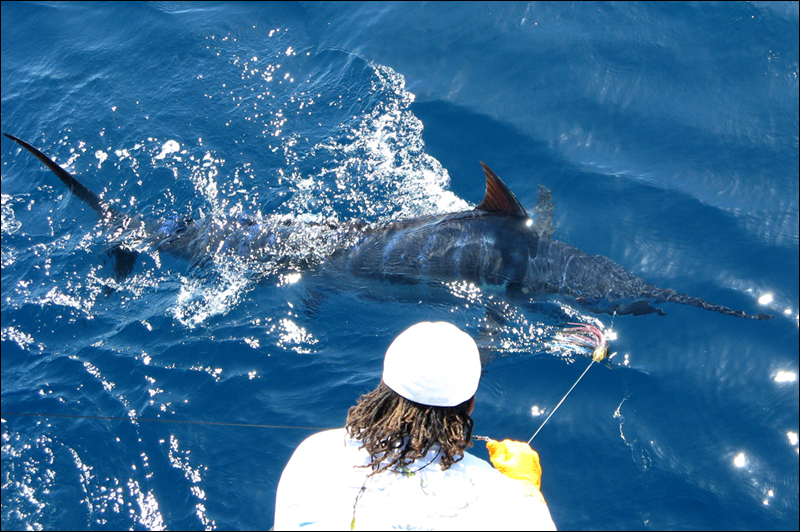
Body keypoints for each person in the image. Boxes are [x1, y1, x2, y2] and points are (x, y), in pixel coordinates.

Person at [274, 321, 557, 530]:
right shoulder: (505, 499)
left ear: (383, 389)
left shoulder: (313, 454)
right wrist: (526, 490)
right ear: (470, 405)